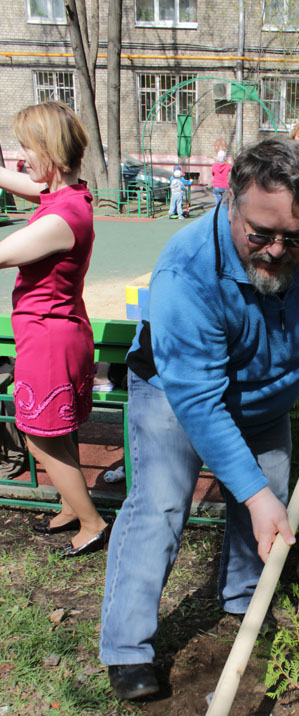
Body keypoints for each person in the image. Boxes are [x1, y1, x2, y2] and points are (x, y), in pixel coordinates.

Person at [100, 137, 299, 700]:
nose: (276, 251)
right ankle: (128, 649)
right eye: (260, 233)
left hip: (268, 399)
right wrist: (253, 494)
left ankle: (243, 599)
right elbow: (200, 404)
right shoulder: (188, 271)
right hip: (176, 396)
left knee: (268, 497)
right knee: (160, 502)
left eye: (295, 238)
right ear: (230, 202)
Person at [0, 101, 110, 557]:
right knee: (55, 429)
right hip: (57, 331)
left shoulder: (60, 219)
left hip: (49, 338)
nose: (21, 157)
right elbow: (27, 185)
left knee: (39, 434)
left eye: (28, 147)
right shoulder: (69, 195)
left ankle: (91, 521)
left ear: (53, 152)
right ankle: (71, 504)